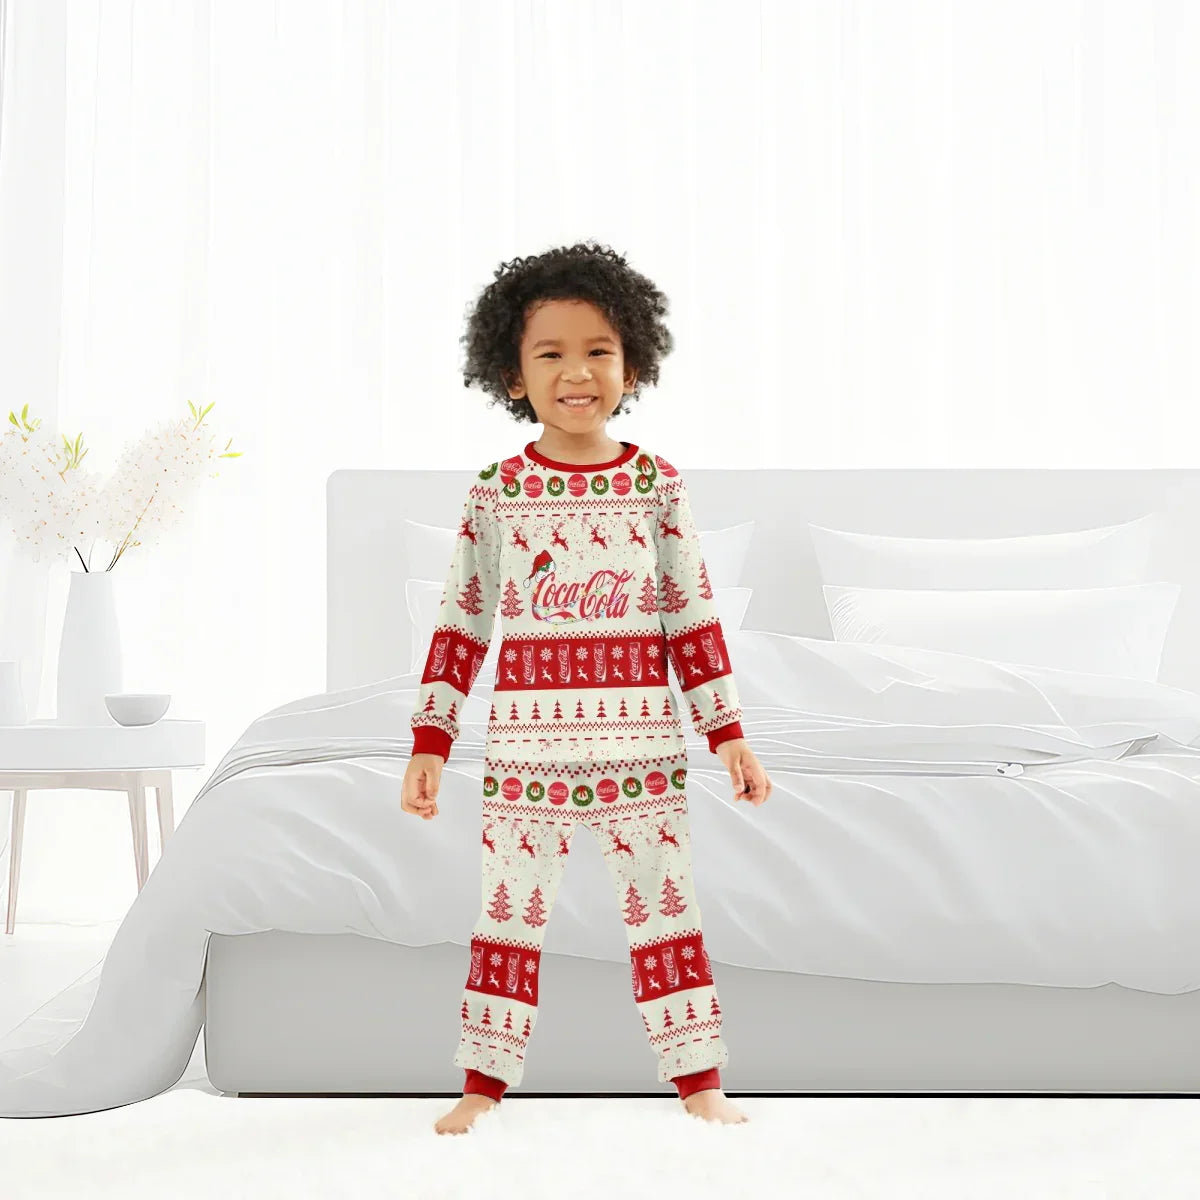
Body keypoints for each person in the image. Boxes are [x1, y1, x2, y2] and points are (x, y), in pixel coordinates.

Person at [400, 241, 772, 1135]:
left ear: (633, 363)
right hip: (526, 756)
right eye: (551, 354)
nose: (577, 372)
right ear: (512, 374)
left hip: (643, 750)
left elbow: (691, 618)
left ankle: (700, 1083)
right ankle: (482, 1087)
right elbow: (462, 623)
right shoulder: (497, 495)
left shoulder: (655, 487)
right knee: (508, 918)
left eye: (598, 350)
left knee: (665, 912)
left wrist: (728, 736)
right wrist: (429, 741)